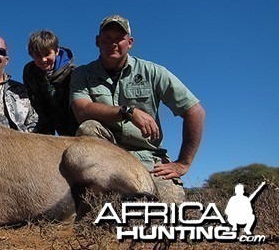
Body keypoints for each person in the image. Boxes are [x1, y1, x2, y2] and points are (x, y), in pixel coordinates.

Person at [69, 15, 205, 203]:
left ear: (130, 42)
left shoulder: (154, 72)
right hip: (108, 158)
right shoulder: (82, 73)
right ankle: (100, 191)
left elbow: (195, 111)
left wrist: (183, 163)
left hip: (148, 159)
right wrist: (128, 111)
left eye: (120, 38)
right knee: (88, 128)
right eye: (107, 38)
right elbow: (81, 110)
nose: (113, 43)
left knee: (170, 209)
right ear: (97, 41)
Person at [22, 30, 79, 136]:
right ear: (31, 54)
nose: (43, 60)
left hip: (73, 124)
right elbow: (35, 103)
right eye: (38, 55)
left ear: (57, 51)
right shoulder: (30, 71)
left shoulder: (73, 73)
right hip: (45, 123)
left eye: (47, 54)